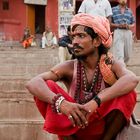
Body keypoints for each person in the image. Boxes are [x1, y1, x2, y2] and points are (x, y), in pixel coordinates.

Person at [26, 13, 139, 140]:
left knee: (128, 93)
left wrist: (95, 102)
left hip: (104, 130)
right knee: (46, 86)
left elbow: (132, 79)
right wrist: (62, 103)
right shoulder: (68, 67)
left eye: (81, 36)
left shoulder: (111, 65)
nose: (74, 42)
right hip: (73, 129)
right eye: (73, 37)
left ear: (97, 41)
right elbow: (33, 83)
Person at [111, 0, 135, 64]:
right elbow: (110, 23)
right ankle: (121, 69)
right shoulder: (113, 10)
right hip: (118, 31)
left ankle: (122, 66)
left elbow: (133, 23)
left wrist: (129, 26)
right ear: (118, 0)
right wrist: (118, 25)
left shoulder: (129, 11)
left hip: (128, 32)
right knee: (119, 55)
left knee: (128, 55)